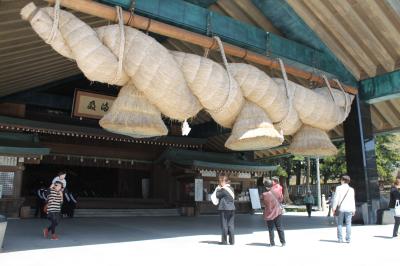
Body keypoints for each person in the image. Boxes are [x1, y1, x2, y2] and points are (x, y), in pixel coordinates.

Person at [213, 173, 235, 245]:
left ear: (223, 181)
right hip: (232, 208)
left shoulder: (223, 189)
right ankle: (232, 241)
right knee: (231, 225)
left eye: (220, 181)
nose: (220, 183)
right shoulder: (231, 188)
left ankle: (224, 241)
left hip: (224, 209)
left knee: (224, 225)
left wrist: (218, 188)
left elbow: (217, 195)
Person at [262, 180, 286, 247]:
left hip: (269, 213)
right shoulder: (277, 191)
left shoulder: (265, 194)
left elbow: (264, 204)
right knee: (279, 227)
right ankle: (283, 242)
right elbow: (281, 199)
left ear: (266, 187)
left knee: (271, 228)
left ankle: (272, 243)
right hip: (278, 212)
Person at [332, 175, 355, 243]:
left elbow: (336, 199)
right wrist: (354, 209)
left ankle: (340, 239)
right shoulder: (351, 189)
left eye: (341, 180)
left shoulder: (338, 188)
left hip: (341, 209)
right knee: (348, 224)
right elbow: (352, 200)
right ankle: (348, 239)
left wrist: (334, 208)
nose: (340, 181)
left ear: (343, 180)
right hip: (349, 209)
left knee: (340, 224)